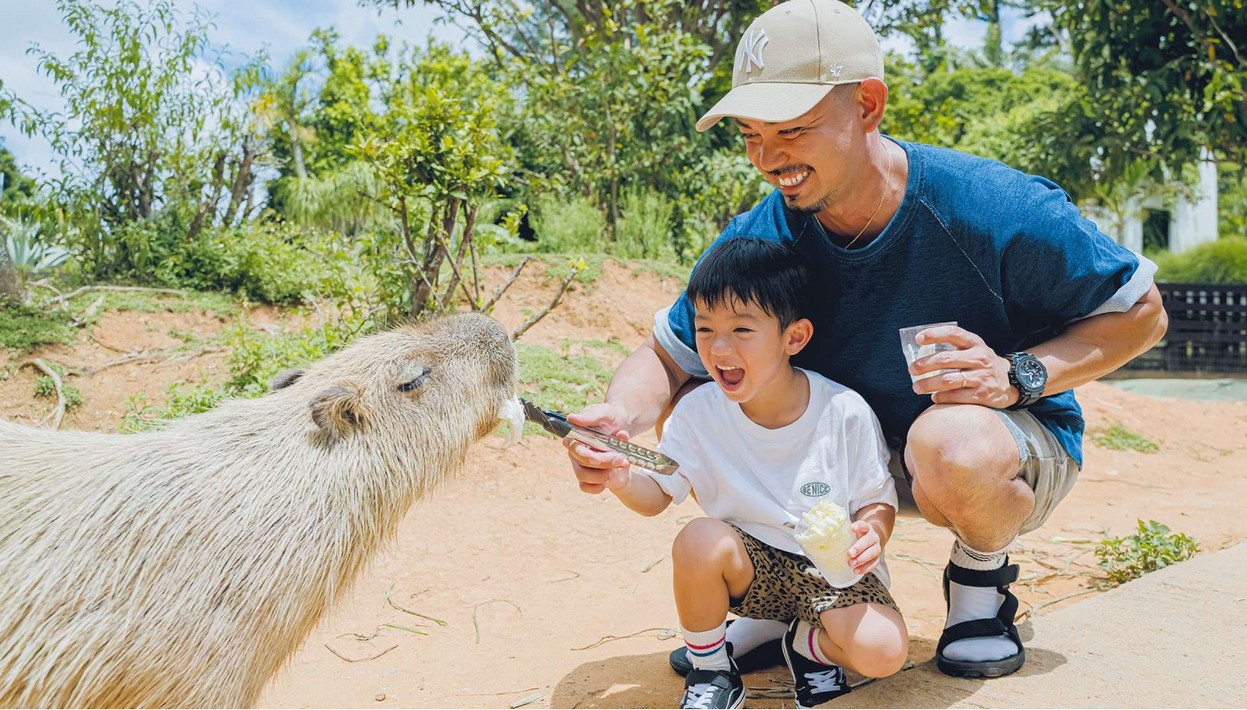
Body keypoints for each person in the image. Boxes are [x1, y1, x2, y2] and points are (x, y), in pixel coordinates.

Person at [565, 0, 1168, 685]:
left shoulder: (992, 207)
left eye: (792, 130)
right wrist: (619, 422)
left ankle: (979, 581)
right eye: (751, 135)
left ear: (868, 105)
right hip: (842, 463)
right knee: (719, 373)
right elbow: (666, 357)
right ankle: (777, 595)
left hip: (985, 451)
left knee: (951, 443)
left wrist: (1016, 374)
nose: (769, 159)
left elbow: (1141, 313)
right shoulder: (760, 239)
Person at [607, 237, 908, 709]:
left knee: (884, 651)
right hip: (751, 569)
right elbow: (656, 495)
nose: (719, 349)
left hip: (832, 572)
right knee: (698, 539)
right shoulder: (698, 413)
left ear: (794, 337)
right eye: (705, 330)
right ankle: (711, 670)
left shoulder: (843, 412)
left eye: (742, 330)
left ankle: (806, 645)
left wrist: (871, 531)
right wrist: (620, 476)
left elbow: (877, 500)